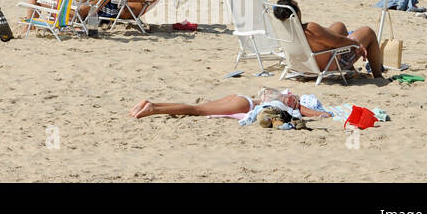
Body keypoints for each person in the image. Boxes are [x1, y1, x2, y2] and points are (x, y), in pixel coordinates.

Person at [273, 0, 384, 76]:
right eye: (297, 5)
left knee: (339, 26)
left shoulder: (284, 28)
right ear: (297, 12)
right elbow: (338, 42)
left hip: (302, 65)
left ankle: (351, 71)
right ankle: (378, 75)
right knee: (368, 32)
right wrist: (356, 44)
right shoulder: (309, 29)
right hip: (328, 64)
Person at [130, 89, 327, 120]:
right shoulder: (295, 104)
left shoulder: (284, 93)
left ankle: (151, 103)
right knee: (195, 110)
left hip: (243, 98)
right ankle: (153, 109)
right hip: (245, 106)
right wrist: (323, 114)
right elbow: (314, 113)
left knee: (195, 106)